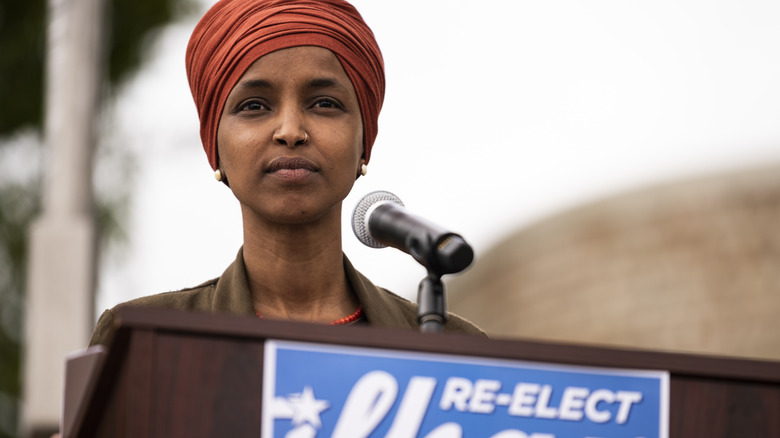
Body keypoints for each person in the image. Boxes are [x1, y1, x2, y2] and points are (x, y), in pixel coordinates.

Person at [89, 0, 484, 346]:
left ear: (364, 143)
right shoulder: (143, 343)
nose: (291, 131)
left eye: (325, 103)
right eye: (254, 106)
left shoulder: (454, 347)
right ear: (216, 148)